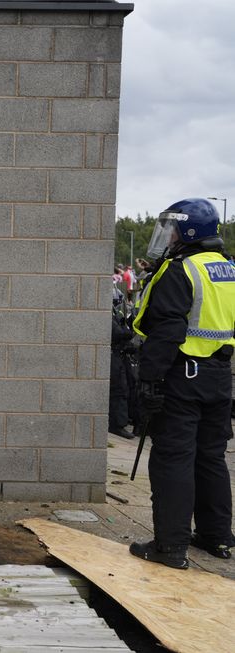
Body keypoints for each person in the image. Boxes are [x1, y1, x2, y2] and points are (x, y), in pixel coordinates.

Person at [129, 197, 235, 568]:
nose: (169, 235)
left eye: (173, 228)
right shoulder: (227, 268)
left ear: (188, 231)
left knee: (173, 459)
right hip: (220, 377)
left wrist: (149, 379)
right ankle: (217, 536)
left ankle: (170, 547)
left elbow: (167, 330)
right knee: (211, 458)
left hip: (183, 374)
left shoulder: (181, 270)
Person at [108, 286, 135, 439]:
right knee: (119, 390)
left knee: (124, 388)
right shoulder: (108, 313)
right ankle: (117, 424)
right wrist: (128, 333)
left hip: (120, 354)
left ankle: (120, 422)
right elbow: (118, 332)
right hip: (114, 354)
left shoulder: (115, 312)